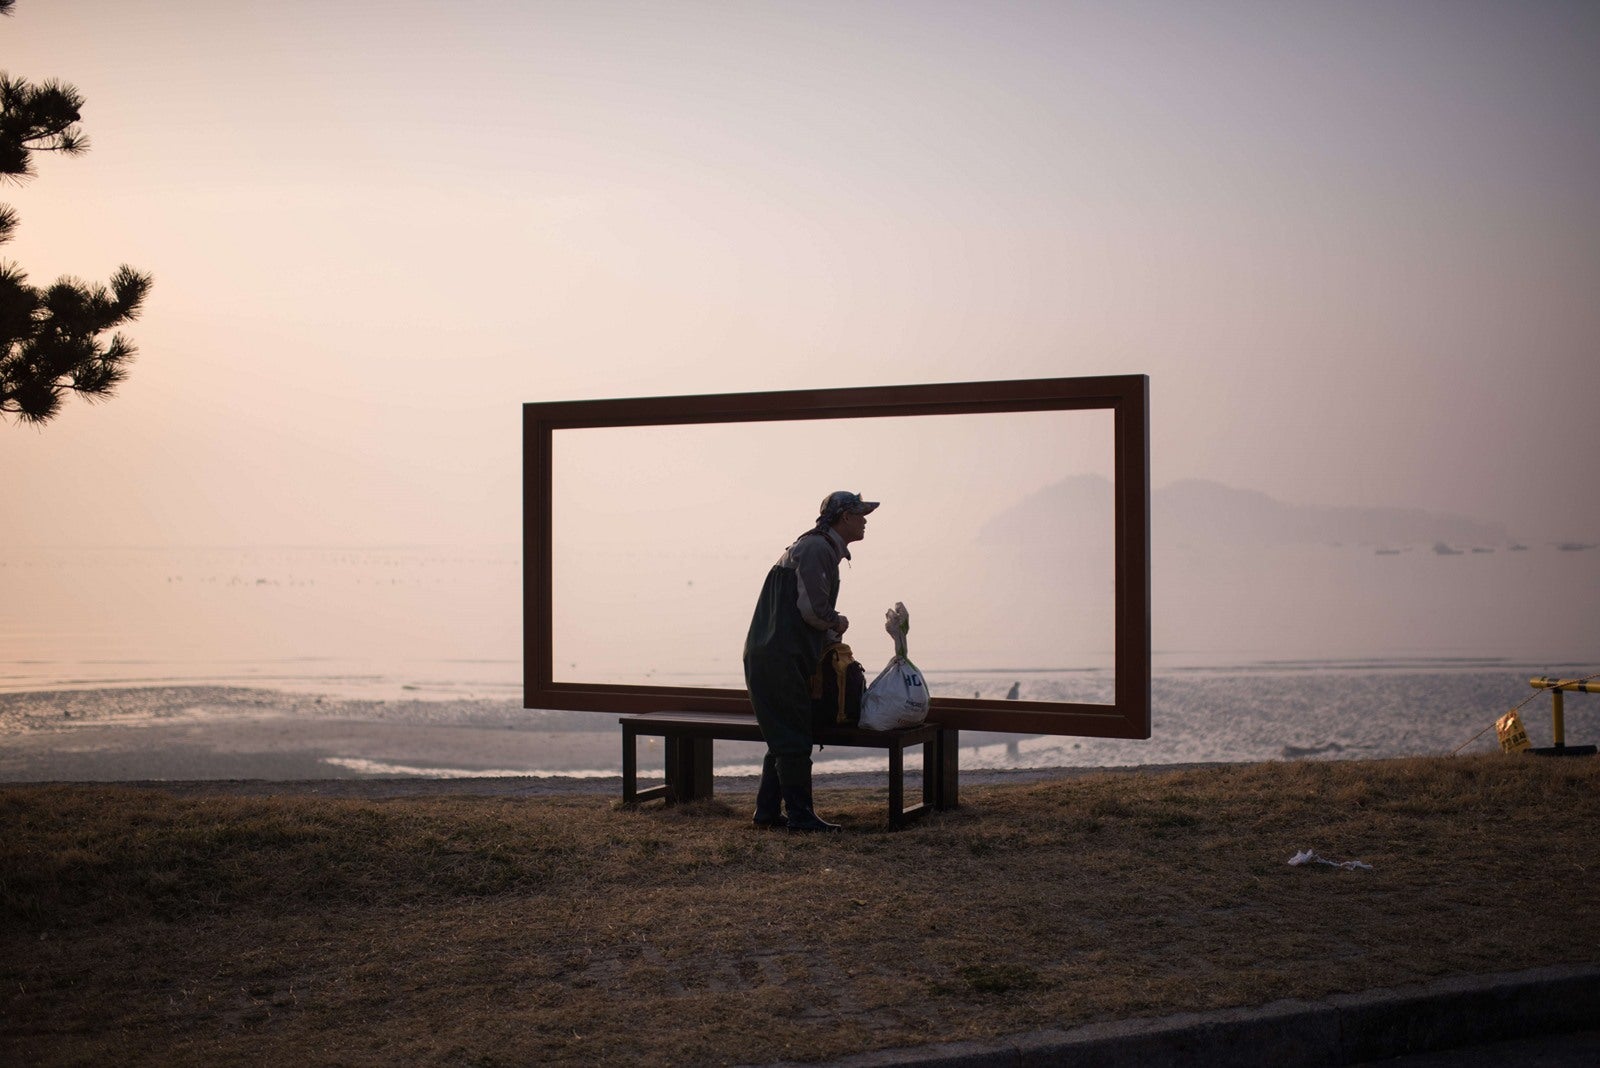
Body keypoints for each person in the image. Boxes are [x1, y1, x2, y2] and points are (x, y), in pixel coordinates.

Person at [743, 490, 877, 832]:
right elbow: (813, 610)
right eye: (861, 515)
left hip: (775, 653)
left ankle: (767, 812)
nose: (865, 522)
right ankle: (801, 817)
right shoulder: (818, 549)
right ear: (844, 517)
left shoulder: (816, 547)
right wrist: (838, 621)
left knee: (784, 735)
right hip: (780, 655)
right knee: (793, 739)